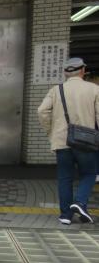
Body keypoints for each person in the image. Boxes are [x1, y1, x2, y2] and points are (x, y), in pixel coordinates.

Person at [37, 58, 99, 225]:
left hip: (61, 141)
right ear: (83, 70)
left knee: (65, 178)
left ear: (65, 73)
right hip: (86, 141)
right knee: (90, 173)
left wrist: (52, 130)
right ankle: (79, 202)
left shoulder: (56, 90)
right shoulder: (94, 89)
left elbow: (42, 111)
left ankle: (65, 216)